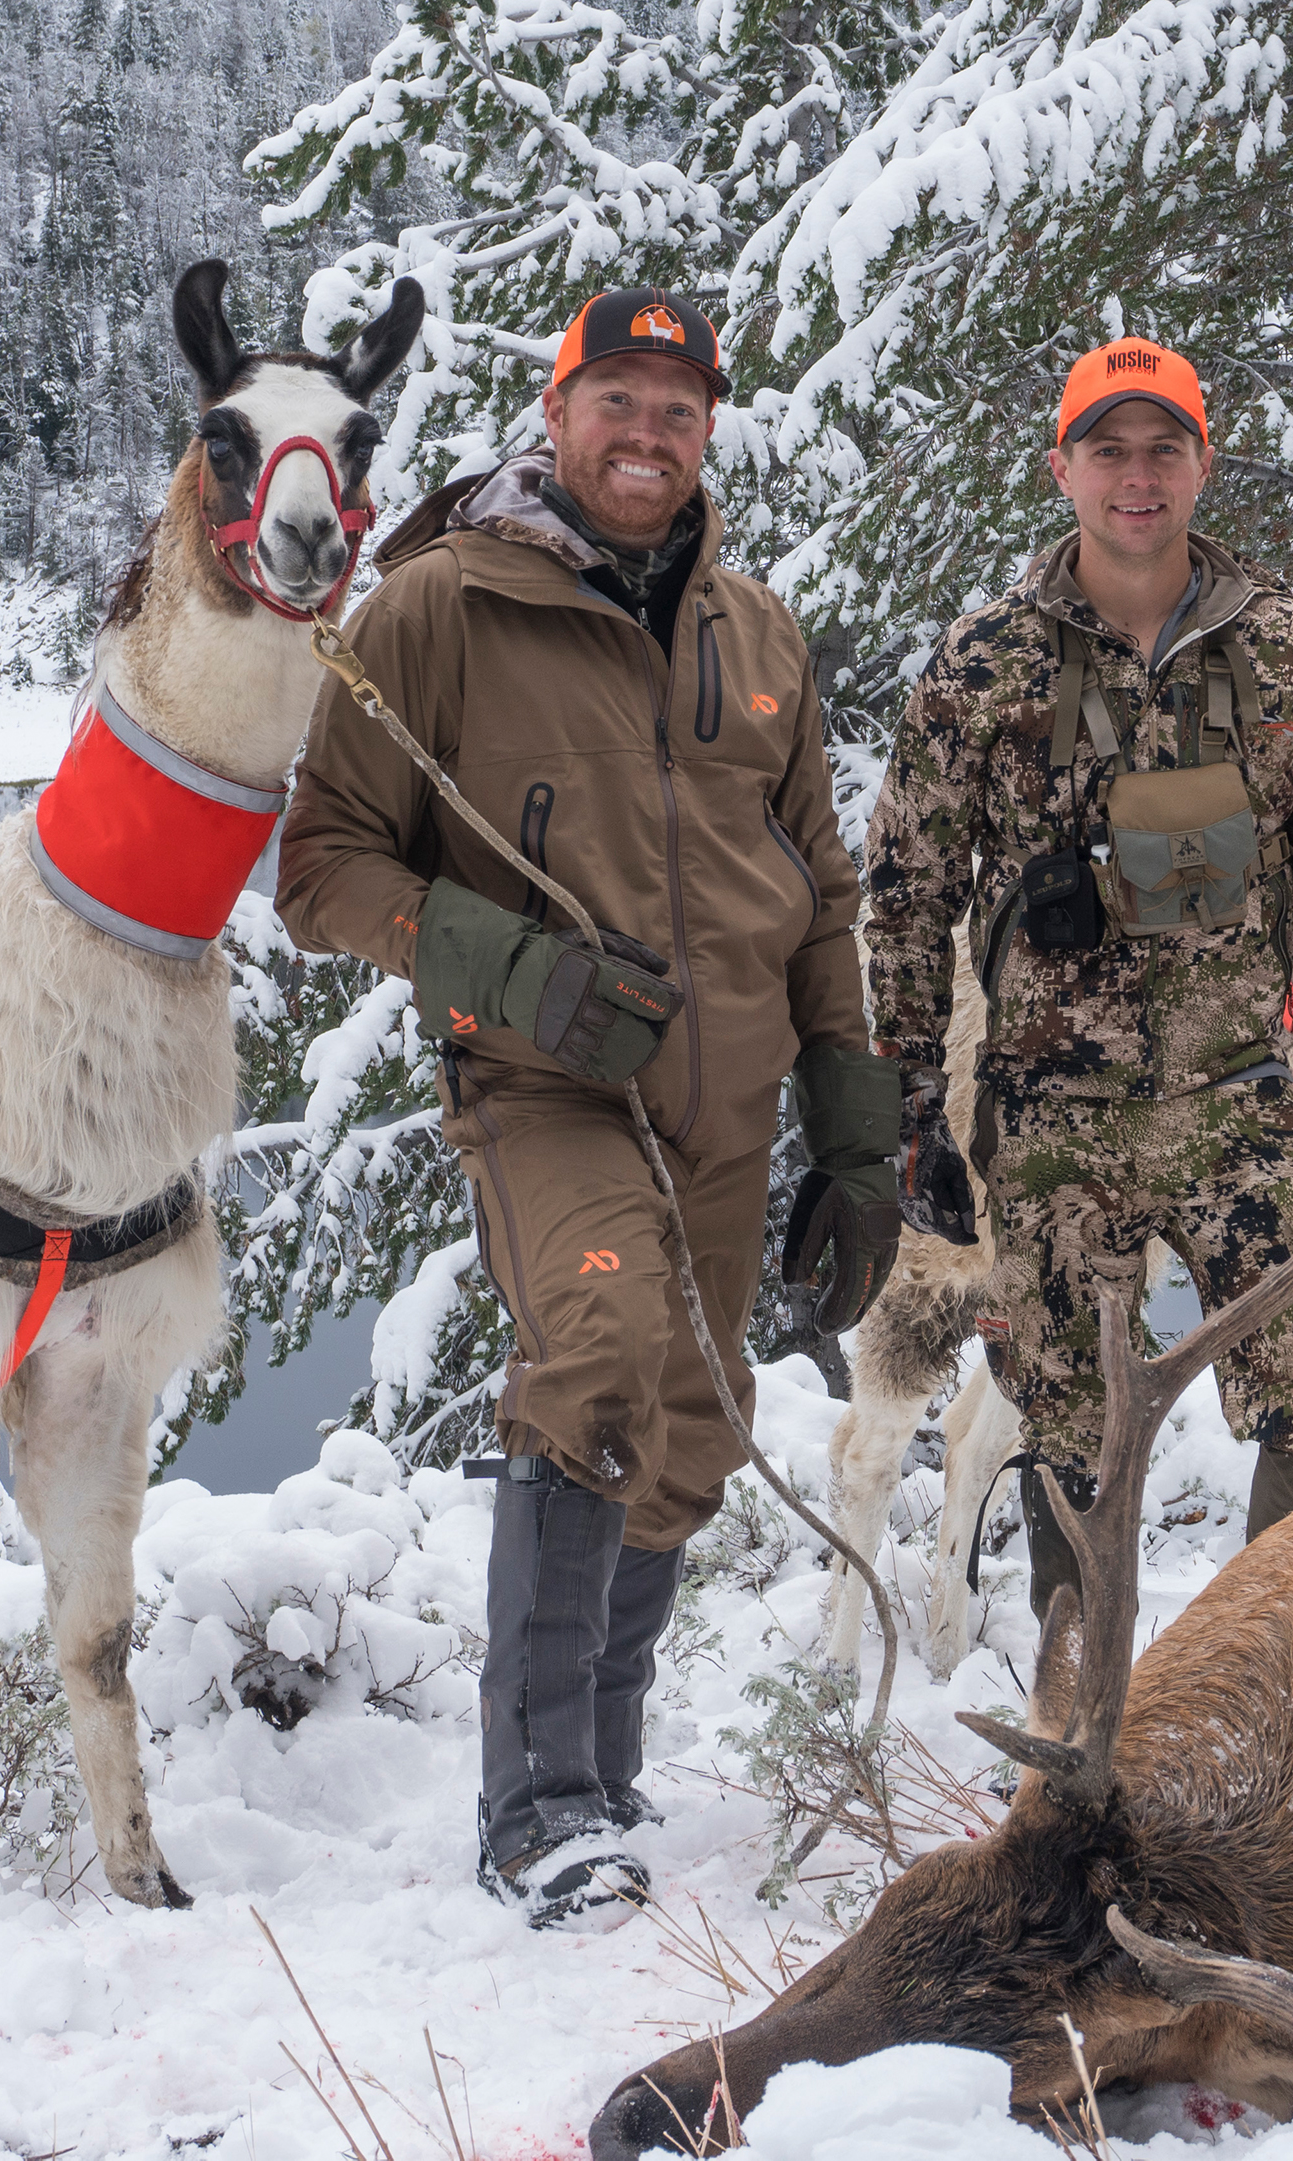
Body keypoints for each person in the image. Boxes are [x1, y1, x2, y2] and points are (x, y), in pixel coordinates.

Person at [276, 288, 901, 1926]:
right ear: (554, 418)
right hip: (546, 1082)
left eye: (676, 405)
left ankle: (607, 1766)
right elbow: (325, 865)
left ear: (707, 432)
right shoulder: (440, 607)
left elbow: (818, 888)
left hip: (732, 1093)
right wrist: (509, 967)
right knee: (602, 1352)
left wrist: (855, 1125)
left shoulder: (754, 635)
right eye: (614, 397)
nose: (646, 430)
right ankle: (535, 1802)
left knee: (696, 1429)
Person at [857, 336, 1293, 1617]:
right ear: (1063, 468)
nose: (1138, 477)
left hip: (1240, 1100)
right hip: (1053, 1115)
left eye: (1165, 447)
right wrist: (906, 1117)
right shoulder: (985, 662)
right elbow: (908, 888)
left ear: (1204, 463)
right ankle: (1077, 1729)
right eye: (1108, 448)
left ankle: (1256, 1683)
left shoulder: (1280, 645)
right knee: (1069, 1426)